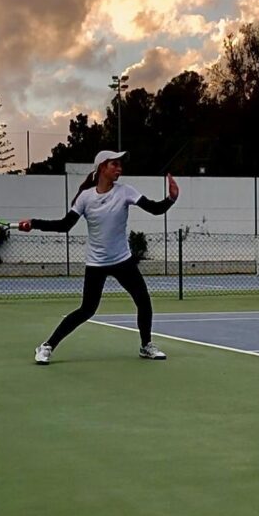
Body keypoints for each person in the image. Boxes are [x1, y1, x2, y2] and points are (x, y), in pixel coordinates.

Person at [18, 150, 179, 364]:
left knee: (143, 300)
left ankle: (146, 345)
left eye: (120, 165)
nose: (119, 169)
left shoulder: (125, 191)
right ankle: (47, 346)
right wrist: (34, 223)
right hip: (96, 263)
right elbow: (64, 225)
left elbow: (155, 209)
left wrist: (171, 198)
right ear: (102, 167)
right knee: (87, 310)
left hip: (123, 261)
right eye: (115, 164)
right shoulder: (86, 198)